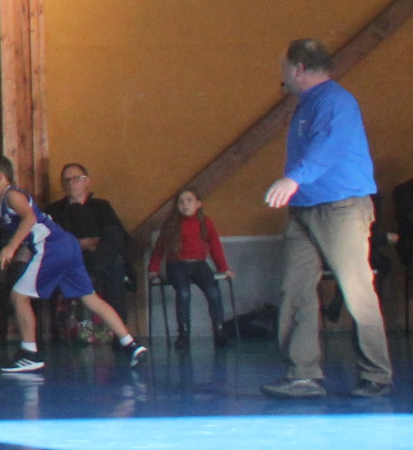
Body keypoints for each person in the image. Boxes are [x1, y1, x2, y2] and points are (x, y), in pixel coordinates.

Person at [261, 38, 392, 399]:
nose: (281, 75)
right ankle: (302, 374)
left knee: (356, 290)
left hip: (341, 207)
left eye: (284, 68)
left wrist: (293, 179)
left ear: (299, 68)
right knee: (296, 289)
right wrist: (297, 187)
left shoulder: (336, 102)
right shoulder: (307, 104)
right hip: (304, 208)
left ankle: (376, 374)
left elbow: (327, 148)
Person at [0, 156, 145, 379]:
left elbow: (29, 218)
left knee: (18, 296)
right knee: (90, 298)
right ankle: (130, 344)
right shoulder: (1, 205)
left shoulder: (12, 195)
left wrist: (11, 246)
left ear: (0, 178)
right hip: (68, 245)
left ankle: (30, 354)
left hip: (52, 247)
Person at [46, 163, 136, 326]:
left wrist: (92, 242)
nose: (71, 183)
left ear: (87, 181)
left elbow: (118, 236)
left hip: (100, 257)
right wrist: (81, 244)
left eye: (76, 178)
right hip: (70, 259)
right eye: (67, 180)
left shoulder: (101, 206)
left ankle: (119, 332)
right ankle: (96, 272)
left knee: (115, 244)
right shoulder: (54, 210)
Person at [148, 187, 232, 346]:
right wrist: (153, 269)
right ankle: (184, 334)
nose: (185, 205)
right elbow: (160, 247)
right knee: (184, 292)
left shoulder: (205, 222)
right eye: (181, 202)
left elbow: (215, 246)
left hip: (199, 263)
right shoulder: (171, 224)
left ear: (198, 204)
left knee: (213, 292)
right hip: (177, 264)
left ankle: (219, 331)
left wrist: (223, 268)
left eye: (189, 201)